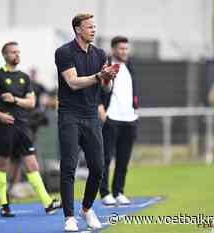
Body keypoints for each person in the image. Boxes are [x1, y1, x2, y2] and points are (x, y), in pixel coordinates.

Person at [0, 41, 62, 217]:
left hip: (23, 126)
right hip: (4, 127)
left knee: (32, 164)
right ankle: (4, 205)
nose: (17, 55)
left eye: (18, 52)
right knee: (2, 165)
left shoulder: (24, 77)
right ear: (5, 55)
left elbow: (31, 103)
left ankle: (47, 203)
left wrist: (15, 100)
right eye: (13, 52)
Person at [55, 13, 118, 231]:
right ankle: (69, 217)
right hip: (69, 115)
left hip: (91, 116)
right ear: (77, 29)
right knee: (69, 166)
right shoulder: (64, 52)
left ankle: (86, 209)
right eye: (89, 26)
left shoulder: (100, 53)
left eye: (94, 26)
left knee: (99, 168)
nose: (93, 29)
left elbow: (105, 88)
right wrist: (99, 76)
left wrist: (107, 78)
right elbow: (72, 82)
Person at [98, 36, 139, 206]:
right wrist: (100, 107)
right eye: (121, 49)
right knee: (106, 158)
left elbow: (132, 91)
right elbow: (98, 89)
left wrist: (136, 110)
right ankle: (105, 193)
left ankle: (119, 191)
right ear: (114, 49)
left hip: (129, 119)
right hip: (112, 118)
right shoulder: (106, 66)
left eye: (126, 48)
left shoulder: (130, 67)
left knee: (124, 159)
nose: (124, 52)